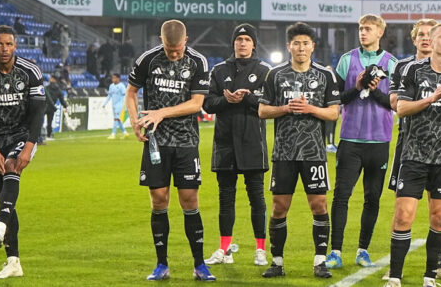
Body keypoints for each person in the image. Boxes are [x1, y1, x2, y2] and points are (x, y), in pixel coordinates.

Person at [126, 19, 215, 282]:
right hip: (156, 143)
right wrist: (134, 122)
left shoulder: (199, 62)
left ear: (186, 41)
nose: (173, 54)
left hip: (186, 142)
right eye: (168, 49)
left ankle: (199, 264)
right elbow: (131, 93)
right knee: (159, 200)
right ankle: (161, 264)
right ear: (161, 41)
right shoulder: (148, 60)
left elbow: (197, 103)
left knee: (189, 200)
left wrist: (162, 112)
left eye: (177, 49)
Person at [385, 22, 441, 287]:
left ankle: (430, 277)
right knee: (403, 215)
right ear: (431, 43)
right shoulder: (413, 70)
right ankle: (395, 277)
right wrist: (430, 99)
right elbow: (401, 108)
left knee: (439, 217)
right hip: (414, 154)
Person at [257, 22, 342, 279]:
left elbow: (334, 112)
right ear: (288, 46)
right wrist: (285, 108)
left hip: (314, 153)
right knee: (279, 206)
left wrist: (310, 109)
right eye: (296, 43)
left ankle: (319, 261)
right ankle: (277, 261)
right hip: (284, 152)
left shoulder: (325, 76)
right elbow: (262, 110)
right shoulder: (275, 75)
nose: (301, 47)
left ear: (312, 46)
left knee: (319, 204)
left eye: (306, 43)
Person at [0, 25, 45, 279]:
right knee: (4, 198)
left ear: (15, 46)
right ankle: (13, 262)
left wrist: (30, 145)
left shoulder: (30, 72)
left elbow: (38, 112)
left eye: (9, 44)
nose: (4, 49)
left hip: (23, 135)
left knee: (13, 166)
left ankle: (0, 225)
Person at [325, 14, 397, 270]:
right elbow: (336, 100)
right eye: (360, 29)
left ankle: (362, 250)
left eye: (368, 29)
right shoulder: (347, 60)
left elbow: (394, 102)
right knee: (341, 196)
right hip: (351, 139)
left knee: (373, 198)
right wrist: (357, 87)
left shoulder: (392, 63)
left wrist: (375, 89)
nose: (363, 32)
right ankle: (335, 251)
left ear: (380, 32)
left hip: (379, 141)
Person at [202, 24, 273, 266]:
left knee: (257, 199)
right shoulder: (219, 70)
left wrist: (248, 98)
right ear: (233, 43)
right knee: (225, 198)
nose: (242, 43)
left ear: (254, 44)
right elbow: (208, 103)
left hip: (253, 142)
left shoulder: (265, 70)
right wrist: (227, 100)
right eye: (238, 39)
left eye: (246, 39)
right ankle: (224, 249)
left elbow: (270, 104)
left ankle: (260, 249)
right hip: (225, 143)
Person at [43, 75, 68, 141]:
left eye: (51, 78)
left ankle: (40, 136)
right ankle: (49, 135)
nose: (49, 79)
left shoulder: (47, 88)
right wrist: (65, 106)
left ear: (53, 79)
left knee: (39, 121)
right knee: (49, 122)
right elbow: (62, 99)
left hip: (44, 106)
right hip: (52, 107)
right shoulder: (58, 89)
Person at [105, 73, 128, 139]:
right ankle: (125, 132)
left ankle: (113, 134)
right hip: (114, 105)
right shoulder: (111, 86)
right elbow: (109, 95)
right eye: (113, 78)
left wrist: (123, 105)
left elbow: (125, 95)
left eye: (115, 78)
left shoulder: (121, 86)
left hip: (120, 105)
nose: (113, 79)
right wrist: (104, 104)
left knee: (116, 119)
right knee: (118, 120)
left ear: (118, 78)